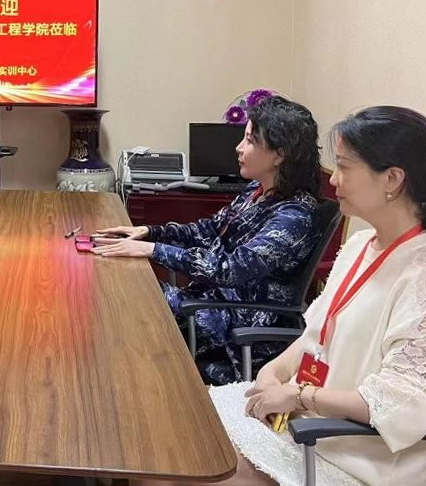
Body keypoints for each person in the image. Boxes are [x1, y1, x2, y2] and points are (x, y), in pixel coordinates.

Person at [137, 106, 426, 486]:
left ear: (393, 179)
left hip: (355, 458)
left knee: (167, 463)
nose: (333, 179)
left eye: (345, 167)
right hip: (303, 424)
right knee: (156, 432)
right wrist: (273, 373)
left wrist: (301, 396)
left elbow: (405, 400)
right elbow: (315, 334)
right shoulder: (361, 245)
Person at [93, 96, 324, 384]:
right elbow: (209, 229)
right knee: (119, 289)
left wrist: (153, 250)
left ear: (279, 154)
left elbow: (230, 269)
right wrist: (149, 232)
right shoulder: (257, 190)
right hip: (210, 302)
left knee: (129, 303)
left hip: (235, 323)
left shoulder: (294, 216)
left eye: (250, 141)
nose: (239, 148)